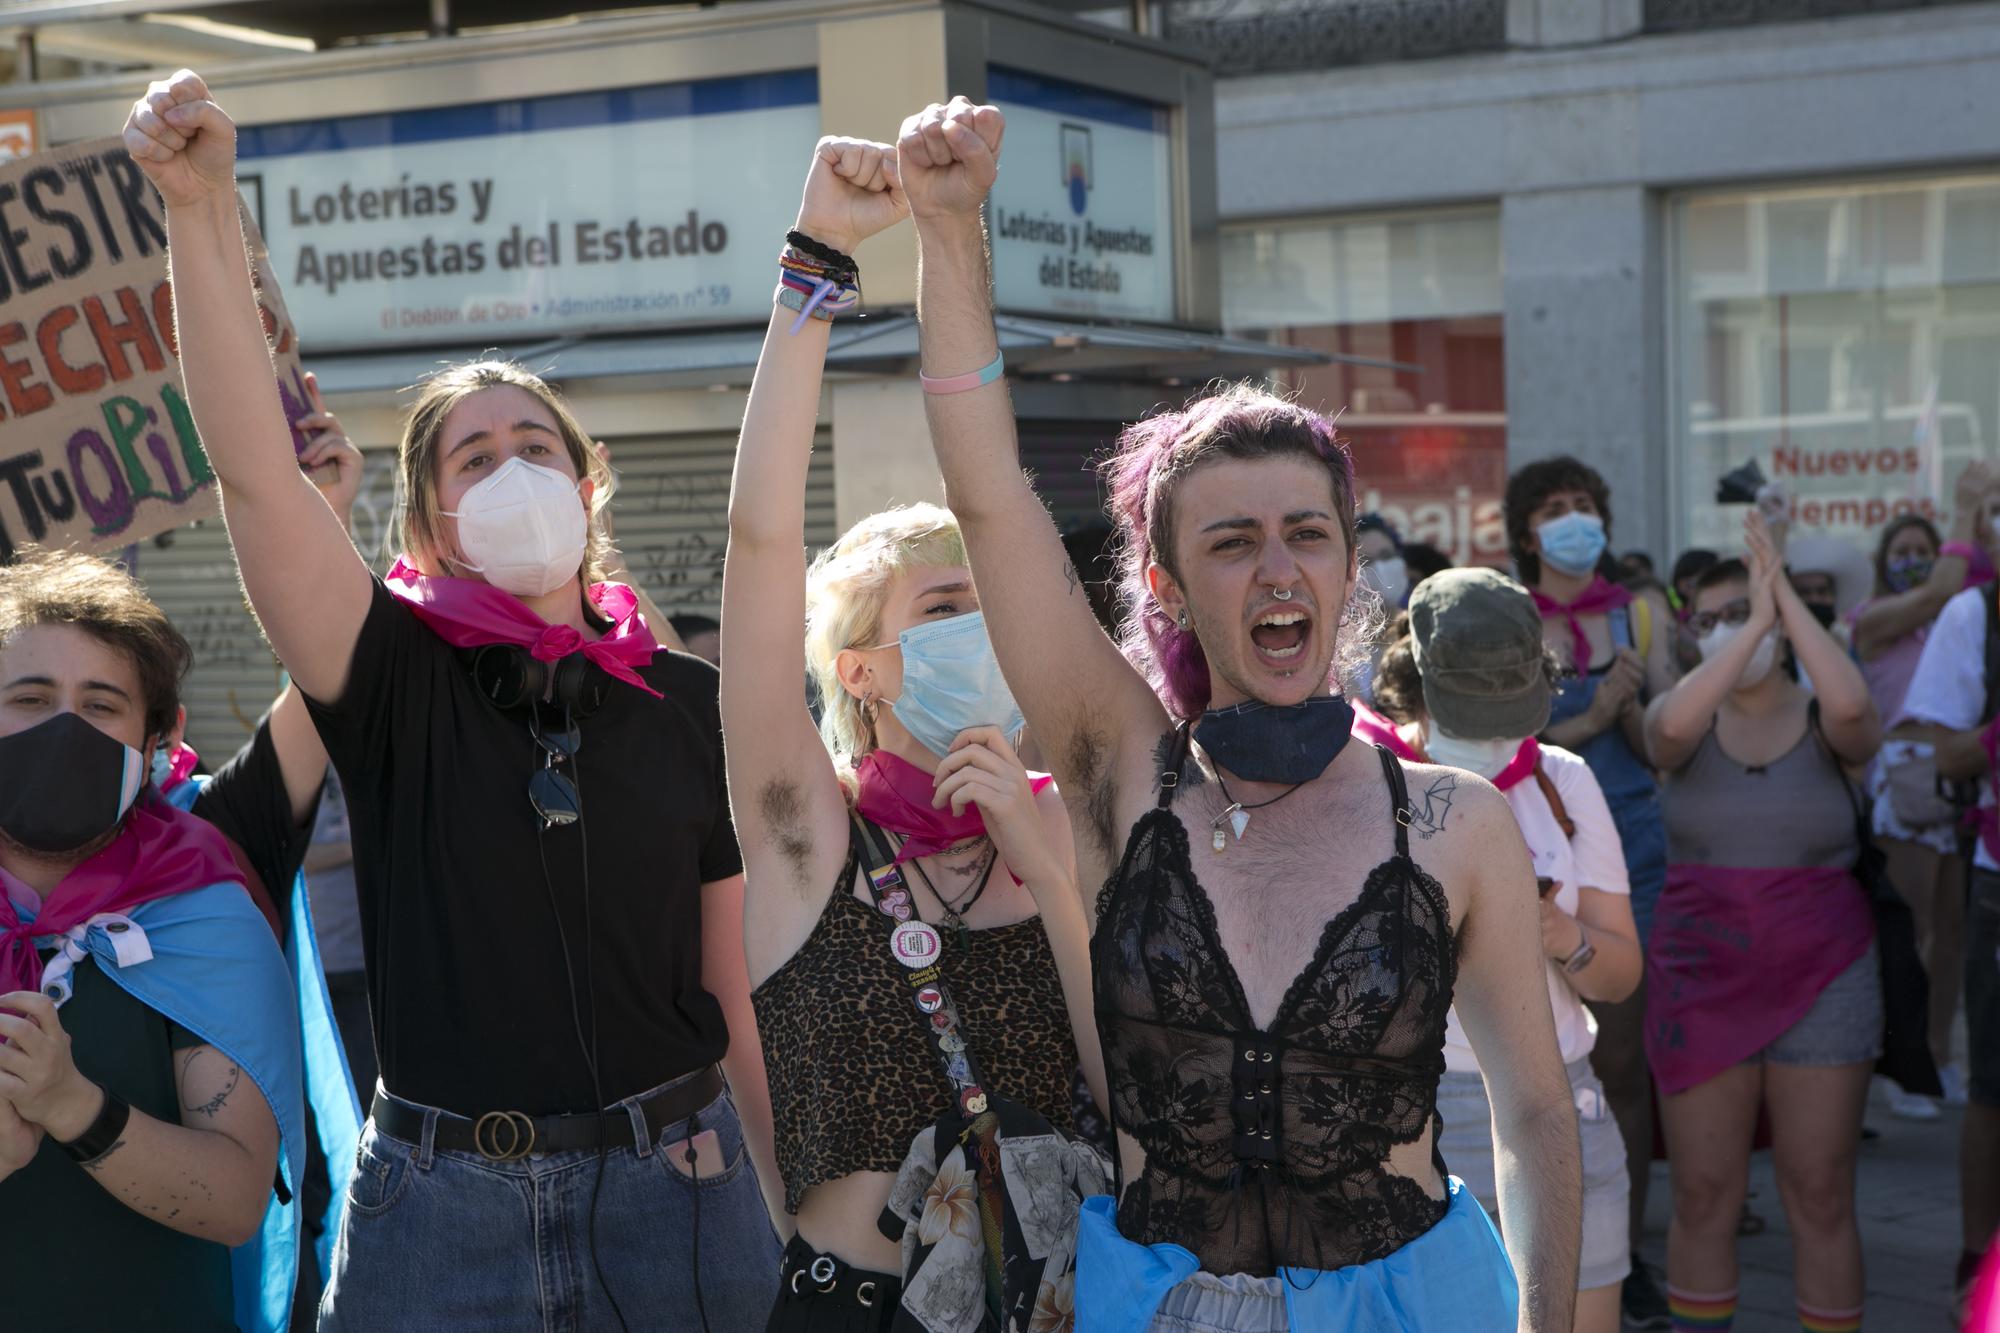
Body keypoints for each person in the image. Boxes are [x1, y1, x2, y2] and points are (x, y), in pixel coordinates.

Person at [900, 96, 1580, 1332]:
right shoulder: (1118, 768)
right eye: (1231, 541)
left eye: (1305, 534)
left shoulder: (1451, 821)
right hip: (1158, 1300)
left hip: (1416, 1302)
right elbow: (988, 497)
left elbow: (1533, 1111)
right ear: (1165, 583)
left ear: (1343, 567)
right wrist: (951, 233)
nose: (1277, 568)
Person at [126, 70, 780, 1331]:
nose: (512, 469)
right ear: (429, 519)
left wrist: (784, 1204)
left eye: (537, 447)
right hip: (442, 1215)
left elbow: (732, 991)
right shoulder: (386, 676)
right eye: (473, 457)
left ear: (589, 489)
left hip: (682, 1194)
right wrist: (201, 212)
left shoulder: (688, 703)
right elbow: (255, 478)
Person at [721, 134, 1096, 1331]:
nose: (981, 632)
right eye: (945, 608)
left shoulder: (1071, 818)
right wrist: (815, 261)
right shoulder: (807, 836)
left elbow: (1132, 1091)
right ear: (864, 670)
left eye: (994, 602)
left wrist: (1048, 874)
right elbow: (759, 544)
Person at [0, 550, 304, 1333]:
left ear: (153, 741)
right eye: (31, 697)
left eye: (101, 705)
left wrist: (74, 1107)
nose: (65, 727)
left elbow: (239, 1201)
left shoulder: (202, 919)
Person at [1364, 572, 1643, 1333]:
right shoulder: (1363, 780)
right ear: (1413, 681)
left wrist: (1557, 934)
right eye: (1471, 712)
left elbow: (1621, 975)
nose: (1492, 738)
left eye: (1506, 712)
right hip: (1411, 1113)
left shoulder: (1564, 780)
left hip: (1563, 1098)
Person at [1643, 511, 1883, 1333]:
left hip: (1826, 967)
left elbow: (1855, 702)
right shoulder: (1679, 717)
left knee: (1819, 1188)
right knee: (1706, 1189)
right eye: (1710, 620)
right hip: (1700, 967)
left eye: (1747, 613)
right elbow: (1669, 731)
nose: (1733, 632)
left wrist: (1776, 594)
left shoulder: (1826, 719)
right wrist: (1747, 630)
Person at [1504, 455, 1676, 1329]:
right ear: (1526, 530)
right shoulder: (1504, 617)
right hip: (1535, 836)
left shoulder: (1641, 613)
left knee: (1624, 1053)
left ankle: (1626, 1244)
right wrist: (1595, 713)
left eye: (1585, 505)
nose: (1574, 519)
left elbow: (1668, 745)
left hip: (1628, 841)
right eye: (1555, 508)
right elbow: (1505, 744)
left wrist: (1638, 710)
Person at [1850, 462, 1995, 1119]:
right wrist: (1966, 511)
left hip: (1956, 783)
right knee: (1912, 932)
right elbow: (1941, 592)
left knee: (1951, 929)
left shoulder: (1955, 617)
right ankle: (1899, 1067)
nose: (1913, 562)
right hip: (1907, 774)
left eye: (1924, 551)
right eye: (1902, 552)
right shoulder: (1875, 619)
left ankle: (1938, 1055)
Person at [1896, 470, 2000, 1317]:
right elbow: (1943, 748)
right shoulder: (1976, 615)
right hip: (1997, 875)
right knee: (1995, 1088)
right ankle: (1978, 1257)